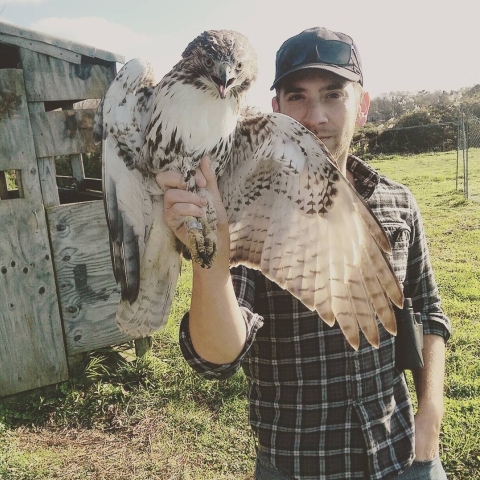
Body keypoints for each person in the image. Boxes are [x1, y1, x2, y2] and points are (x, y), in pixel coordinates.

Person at [157, 27, 451, 480]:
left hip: (402, 455)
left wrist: (429, 419)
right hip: (299, 465)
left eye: (334, 95)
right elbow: (217, 356)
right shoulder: (245, 195)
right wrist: (210, 253)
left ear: (363, 106)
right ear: (275, 109)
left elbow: (429, 314)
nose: (316, 117)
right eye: (297, 98)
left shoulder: (397, 203)